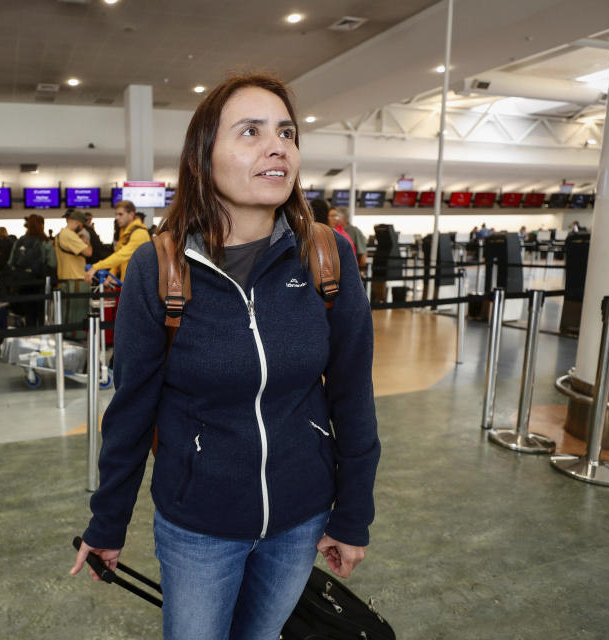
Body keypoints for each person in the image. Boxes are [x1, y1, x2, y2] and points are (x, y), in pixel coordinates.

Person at [71, 73, 380, 639]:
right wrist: (108, 522)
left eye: (286, 132)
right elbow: (132, 409)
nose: (276, 146)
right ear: (201, 158)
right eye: (251, 131)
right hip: (199, 525)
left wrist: (353, 513)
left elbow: (353, 392)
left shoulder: (327, 256)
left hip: (301, 515)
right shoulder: (159, 268)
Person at [84, 200, 152, 283]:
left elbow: (122, 255)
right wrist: (111, 276)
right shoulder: (125, 232)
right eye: (116, 214)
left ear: (131, 214)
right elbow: (118, 257)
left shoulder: (140, 233)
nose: (117, 218)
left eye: (120, 214)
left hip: (141, 285)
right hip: (129, 283)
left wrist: (96, 267)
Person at [8, 214, 55, 328]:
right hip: (40, 282)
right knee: (41, 313)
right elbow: (53, 263)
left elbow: (10, 263)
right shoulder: (45, 242)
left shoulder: (19, 241)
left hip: (23, 283)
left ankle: (29, 338)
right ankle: (41, 338)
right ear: (42, 225)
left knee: (28, 313)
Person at [54, 209, 92, 339]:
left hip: (69, 278)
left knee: (69, 315)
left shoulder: (61, 234)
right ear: (77, 222)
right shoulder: (69, 235)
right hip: (75, 279)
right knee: (76, 316)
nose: (82, 228)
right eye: (82, 225)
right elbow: (88, 252)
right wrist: (86, 242)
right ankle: (75, 343)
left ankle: (71, 341)